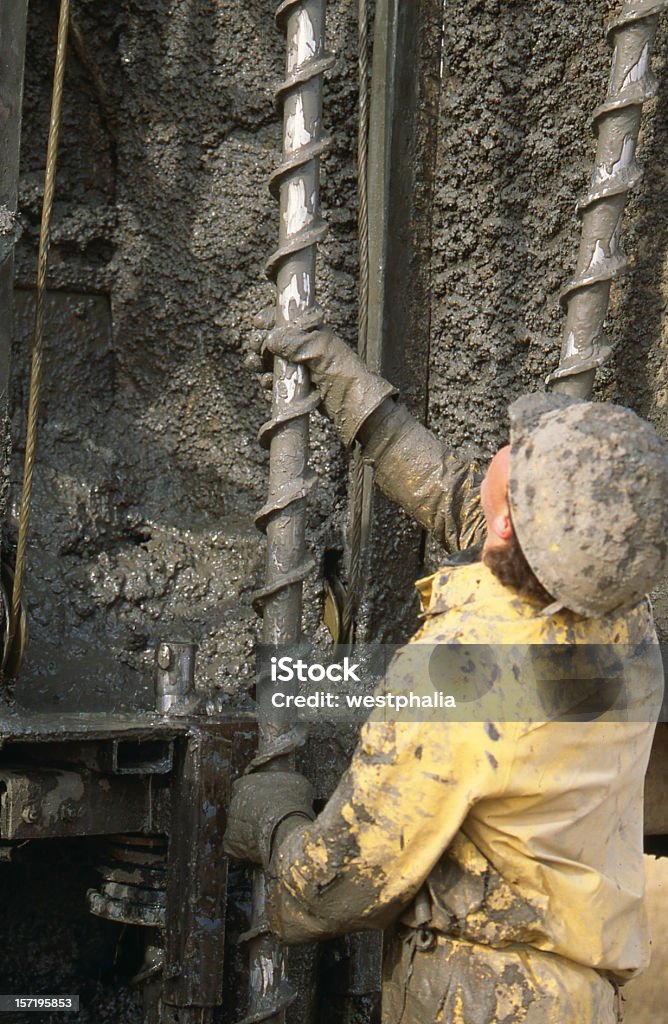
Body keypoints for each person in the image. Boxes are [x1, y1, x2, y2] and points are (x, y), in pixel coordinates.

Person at [224, 319, 668, 1024]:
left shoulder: (463, 675)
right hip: (581, 997)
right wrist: (351, 389)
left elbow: (335, 887)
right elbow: (468, 502)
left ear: (507, 528)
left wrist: (272, 823)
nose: (498, 452)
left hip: (480, 999)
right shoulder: (620, 613)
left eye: (513, 453)